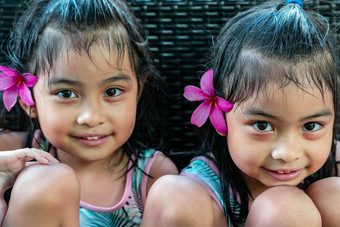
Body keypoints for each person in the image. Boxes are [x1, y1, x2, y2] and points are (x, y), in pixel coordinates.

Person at [141, 0, 340, 226]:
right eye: (262, 126)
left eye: (311, 126)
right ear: (221, 116)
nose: (287, 153)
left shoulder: (330, 163)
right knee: (173, 196)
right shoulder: (194, 198)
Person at [0, 0, 178, 226]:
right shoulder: (13, 155)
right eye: (66, 94)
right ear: (28, 100)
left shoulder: (153, 176)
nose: (91, 117)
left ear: (138, 90)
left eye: (112, 91)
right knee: (47, 181)